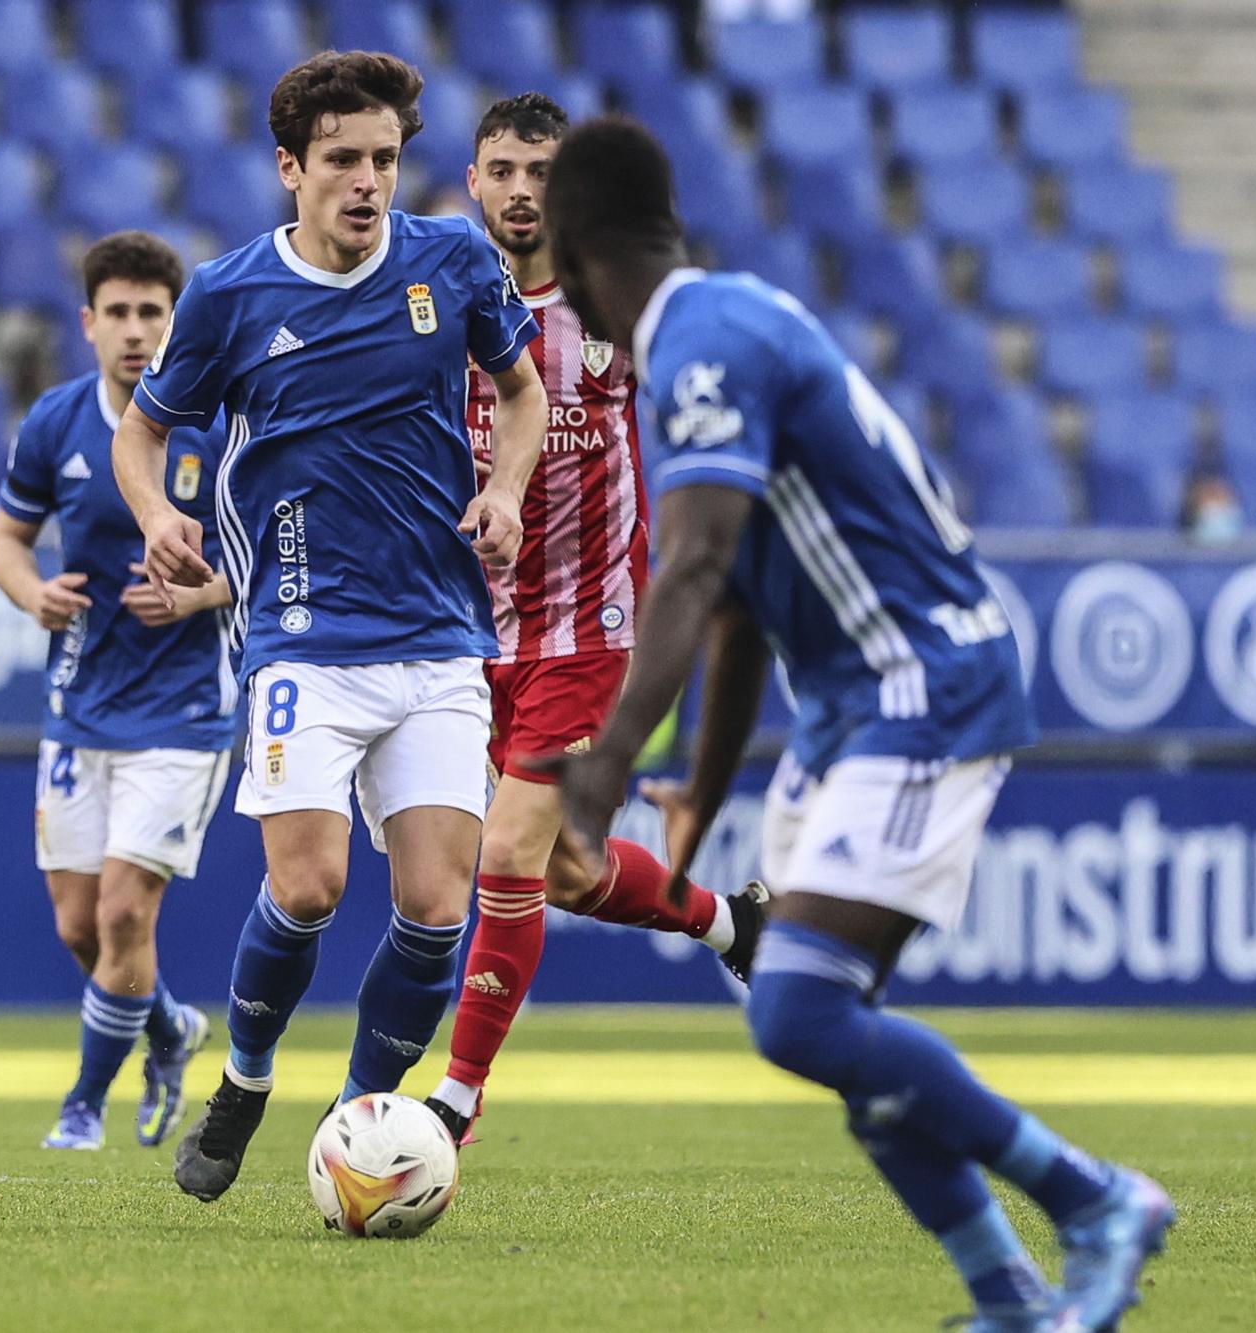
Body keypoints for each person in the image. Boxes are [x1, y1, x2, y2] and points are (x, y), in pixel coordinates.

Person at [541, 117, 1174, 1333]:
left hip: (920, 684)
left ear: (568, 260)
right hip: (845, 710)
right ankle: (1007, 1297)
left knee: (801, 1012)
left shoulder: (703, 349)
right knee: (826, 1022)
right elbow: (728, 614)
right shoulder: (719, 326)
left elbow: (691, 567)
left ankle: (1092, 1199)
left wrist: (605, 765)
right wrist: (700, 794)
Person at [109, 51, 549, 1203]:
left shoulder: (451, 259)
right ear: (289, 168)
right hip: (302, 637)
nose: (366, 182)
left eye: (385, 160)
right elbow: (141, 435)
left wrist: (503, 492)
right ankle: (244, 1079)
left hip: (441, 636)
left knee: (435, 907)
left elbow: (521, 394)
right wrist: (157, 514)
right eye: (342, 161)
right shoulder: (228, 294)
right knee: (306, 887)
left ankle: (357, 1118)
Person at [427, 93, 767, 1143]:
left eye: (540, 171)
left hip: (592, 629)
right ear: (472, 183)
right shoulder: (431, 304)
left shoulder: (620, 313)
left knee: (509, 854)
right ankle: (729, 919)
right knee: (562, 871)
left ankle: (454, 1102)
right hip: (474, 637)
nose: (521, 191)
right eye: (502, 170)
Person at [0, 232, 236, 1152]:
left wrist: (200, 590)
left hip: (183, 715)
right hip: (78, 706)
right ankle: (166, 1025)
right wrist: (32, 594)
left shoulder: (214, 425)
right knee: (79, 926)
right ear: (88, 324)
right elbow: (5, 543)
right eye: (119, 314)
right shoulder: (55, 423)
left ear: (176, 323)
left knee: (127, 911)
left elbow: (272, 560)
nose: (136, 332)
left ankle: (82, 1105)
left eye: (152, 313)